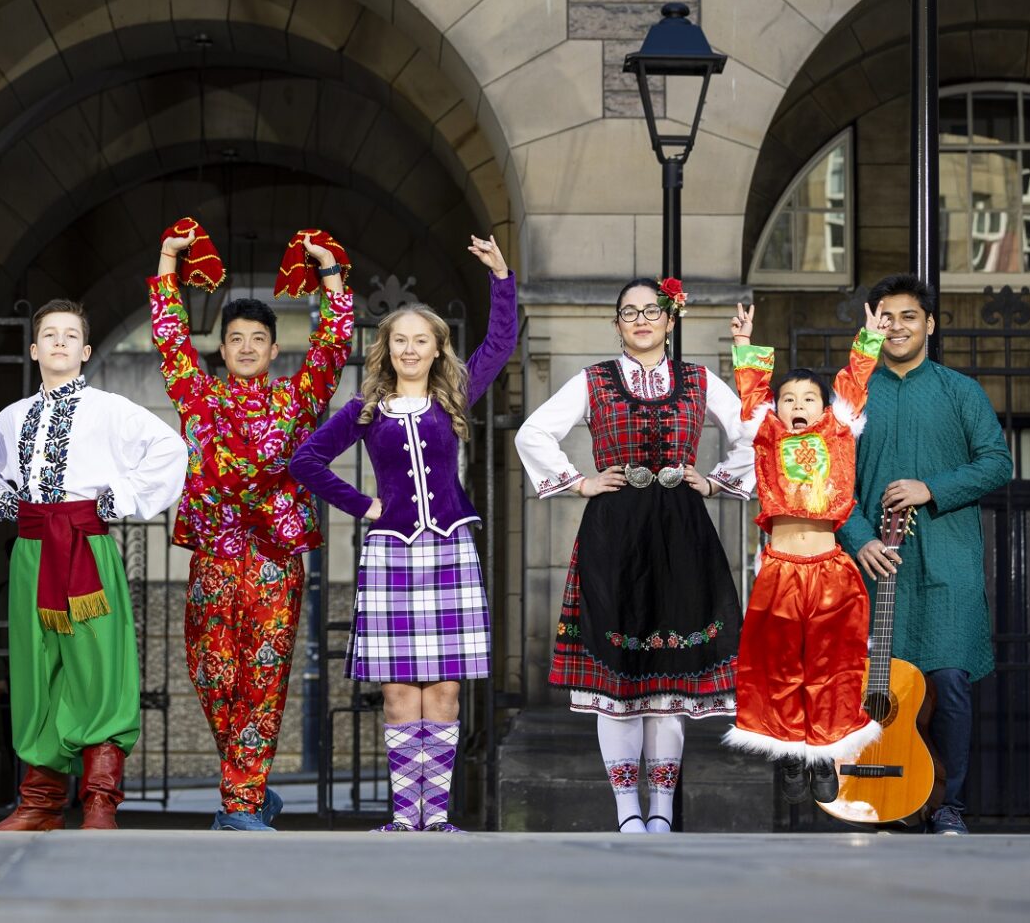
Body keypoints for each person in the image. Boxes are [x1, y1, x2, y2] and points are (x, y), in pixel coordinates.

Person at [290, 238, 517, 832]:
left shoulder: (455, 396)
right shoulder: (365, 408)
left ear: (437, 347)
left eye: (421, 340)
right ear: (386, 349)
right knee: (397, 695)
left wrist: (501, 277)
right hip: (391, 551)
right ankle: (404, 817)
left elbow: (501, 342)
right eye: (400, 340)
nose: (411, 349)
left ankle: (435, 819)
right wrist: (364, 504)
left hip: (449, 548)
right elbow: (305, 461)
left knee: (443, 692)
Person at [515, 276, 755, 834]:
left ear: (671, 321)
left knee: (668, 675)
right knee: (617, 675)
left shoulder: (698, 379)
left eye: (651, 310)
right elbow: (533, 433)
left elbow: (754, 430)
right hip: (616, 531)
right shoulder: (593, 379)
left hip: (681, 532)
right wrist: (578, 483)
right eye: (629, 312)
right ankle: (628, 814)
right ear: (618, 323)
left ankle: (662, 814)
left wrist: (716, 481)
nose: (641, 319)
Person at [149, 221, 353, 831]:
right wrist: (167, 257)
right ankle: (248, 785)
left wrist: (329, 272)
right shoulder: (197, 395)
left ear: (272, 348)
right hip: (213, 555)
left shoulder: (298, 399)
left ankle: (239, 803)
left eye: (256, 339)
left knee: (263, 676)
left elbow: (334, 344)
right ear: (223, 347)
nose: (244, 347)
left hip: (273, 559)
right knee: (212, 674)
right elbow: (168, 336)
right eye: (234, 338)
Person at [0, 299, 185, 831]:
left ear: (85, 351)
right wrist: (7, 504)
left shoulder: (111, 410)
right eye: (50, 334)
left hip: (87, 548)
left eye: (70, 335)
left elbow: (172, 449)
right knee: (37, 669)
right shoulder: (10, 419)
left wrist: (113, 503)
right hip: (34, 550)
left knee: (98, 666)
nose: (59, 342)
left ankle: (100, 802)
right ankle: (39, 804)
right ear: (35, 348)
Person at [836, 274, 1010, 836]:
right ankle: (885, 797)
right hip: (875, 568)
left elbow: (997, 463)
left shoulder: (961, 392)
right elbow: (830, 482)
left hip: (948, 562)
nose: (898, 327)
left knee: (951, 682)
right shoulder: (853, 398)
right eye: (886, 317)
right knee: (877, 688)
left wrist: (930, 487)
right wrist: (860, 538)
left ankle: (948, 805)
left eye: (909, 316)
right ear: (873, 324)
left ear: (929, 325)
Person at [722, 302, 889, 803]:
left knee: (832, 665)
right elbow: (751, 397)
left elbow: (855, 385)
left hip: (831, 571)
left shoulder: (838, 434)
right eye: (788, 398)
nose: (797, 405)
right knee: (778, 666)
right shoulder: (768, 437)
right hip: (779, 569)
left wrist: (869, 339)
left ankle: (825, 752)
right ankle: (793, 751)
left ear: (825, 407)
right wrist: (744, 344)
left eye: (808, 398)